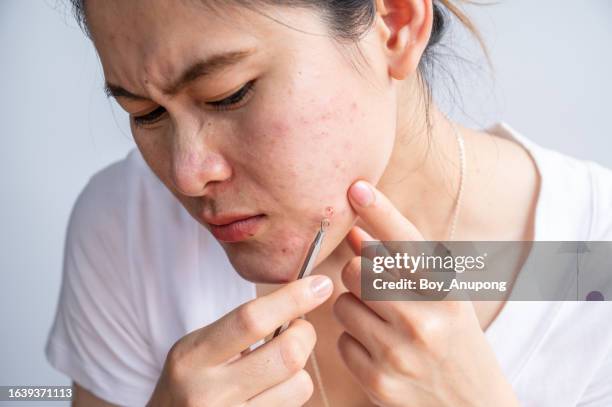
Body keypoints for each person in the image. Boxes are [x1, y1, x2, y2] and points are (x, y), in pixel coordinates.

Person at [45, 0, 612, 406]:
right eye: (144, 113)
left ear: (394, 25)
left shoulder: (596, 257)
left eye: (228, 93)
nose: (188, 175)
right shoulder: (126, 227)